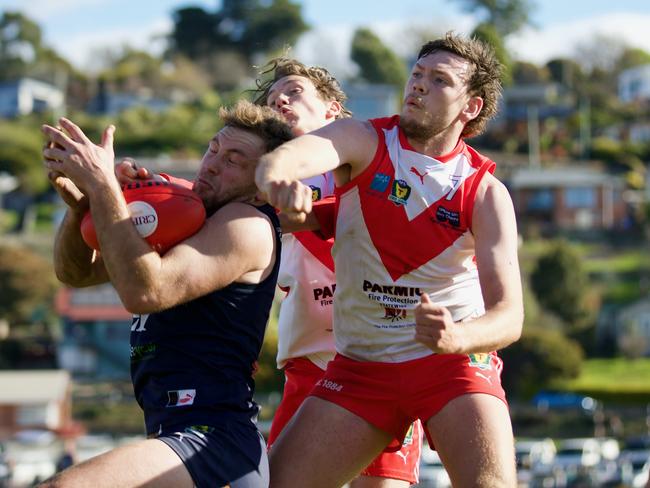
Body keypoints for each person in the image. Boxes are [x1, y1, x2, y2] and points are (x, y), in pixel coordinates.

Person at [116, 58, 423, 487]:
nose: (279, 97)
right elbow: (202, 199)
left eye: (294, 90)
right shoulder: (252, 185)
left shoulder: (369, 174)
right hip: (308, 364)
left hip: (380, 361)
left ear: (333, 110)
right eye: (272, 96)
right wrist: (144, 186)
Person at [256, 32, 524, 488]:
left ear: (471, 107)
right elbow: (289, 158)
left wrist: (457, 336)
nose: (418, 85)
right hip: (362, 368)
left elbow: (509, 317)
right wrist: (278, 178)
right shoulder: (362, 139)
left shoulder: (485, 193)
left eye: (439, 80)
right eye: (416, 74)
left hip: (452, 365)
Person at [40, 100, 293, 488]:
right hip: (172, 433)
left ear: (262, 188)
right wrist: (85, 208)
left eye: (233, 160)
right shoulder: (186, 211)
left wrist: (105, 185)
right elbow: (76, 272)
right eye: (213, 149)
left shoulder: (247, 223)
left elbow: (145, 291)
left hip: (215, 439)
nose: (211, 164)